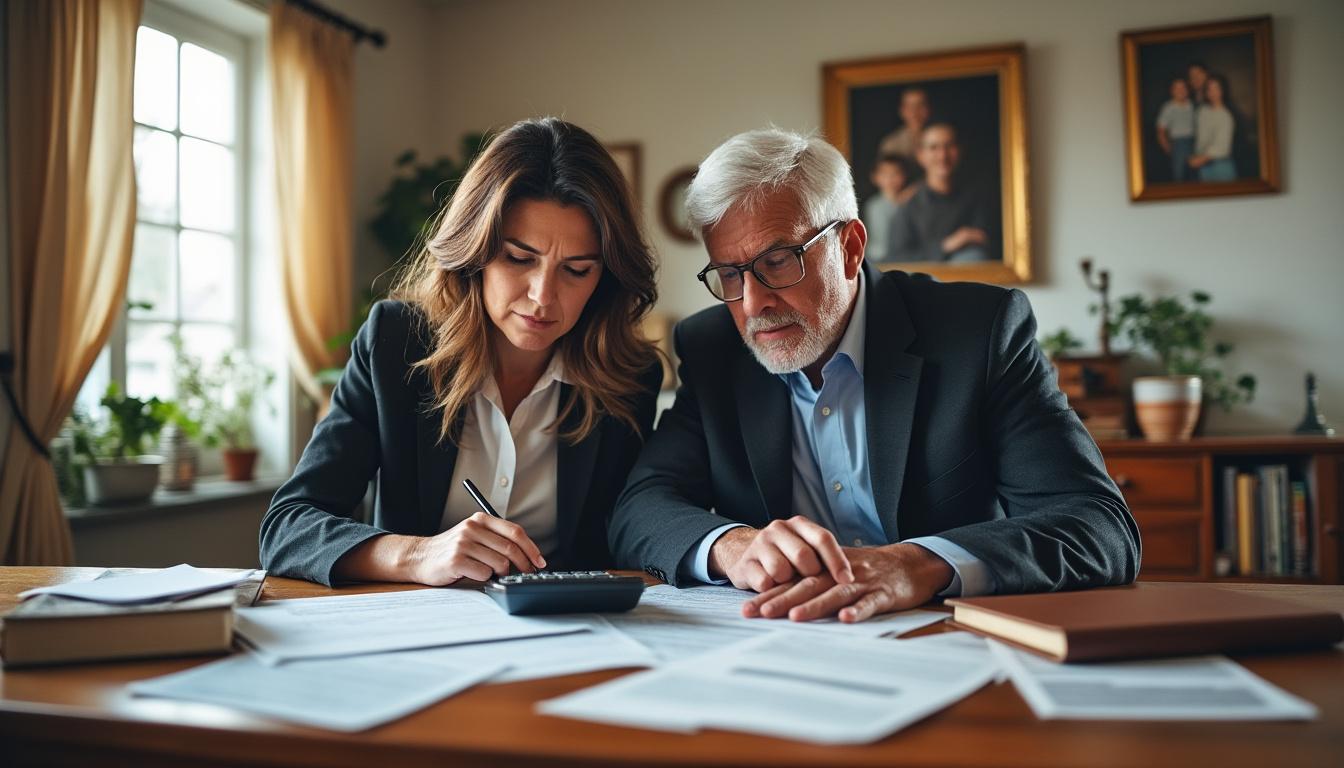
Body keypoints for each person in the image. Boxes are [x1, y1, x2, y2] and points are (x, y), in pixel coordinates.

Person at [609, 128, 1139, 623]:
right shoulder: (714, 348)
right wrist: (734, 546)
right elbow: (639, 508)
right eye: (729, 273)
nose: (752, 304)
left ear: (851, 246)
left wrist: (921, 564)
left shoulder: (976, 333)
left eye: (778, 261)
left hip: (949, 640)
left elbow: (1097, 527)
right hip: (784, 644)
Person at [261, 118, 664, 586]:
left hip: (566, 633)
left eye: (576, 270)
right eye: (518, 258)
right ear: (475, 252)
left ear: (605, 279)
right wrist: (419, 554)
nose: (543, 296)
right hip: (416, 631)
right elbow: (288, 527)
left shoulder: (630, 376)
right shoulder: (395, 344)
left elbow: (626, 534)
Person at [887, 123, 994, 263]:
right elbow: (896, 258)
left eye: (949, 146)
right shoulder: (909, 204)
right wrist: (947, 245)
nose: (943, 155)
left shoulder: (976, 198)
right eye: (933, 148)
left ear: (959, 151)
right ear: (921, 155)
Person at [861, 153, 916, 263]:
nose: (890, 178)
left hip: (905, 258)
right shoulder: (873, 205)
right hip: (877, 257)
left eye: (895, 173)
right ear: (875, 177)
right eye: (885, 174)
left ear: (905, 175)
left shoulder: (911, 202)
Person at [1189, 74, 1237, 182]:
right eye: (1209, 89)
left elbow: (1222, 147)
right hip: (1203, 166)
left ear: (1223, 91)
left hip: (1220, 166)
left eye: (1216, 88)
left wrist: (1200, 159)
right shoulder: (1202, 111)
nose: (1212, 93)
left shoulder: (1226, 116)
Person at [1155, 76, 1196, 182]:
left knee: (1195, 174)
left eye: (1183, 88)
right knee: (1179, 175)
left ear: (1187, 90)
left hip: (1194, 141)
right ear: (1172, 91)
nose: (1180, 91)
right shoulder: (1168, 107)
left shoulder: (1192, 105)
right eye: (1177, 88)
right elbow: (1161, 131)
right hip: (1178, 143)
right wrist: (1168, 148)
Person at [878, 87, 931, 161]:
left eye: (920, 105)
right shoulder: (892, 144)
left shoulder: (942, 139)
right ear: (902, 111)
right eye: (910, 106)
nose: (915, 112)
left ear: (928, 109)